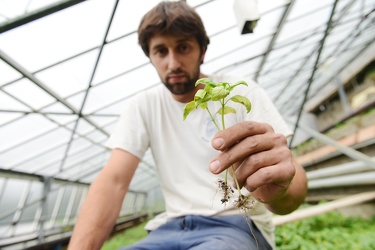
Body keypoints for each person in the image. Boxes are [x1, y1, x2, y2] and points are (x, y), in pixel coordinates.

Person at [68, 1, 307, 249]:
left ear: (202, 51)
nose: (173, 63)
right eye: (161, 51)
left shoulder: (239, 92)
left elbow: (288, 173)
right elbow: (114, 180)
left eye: (183, 47)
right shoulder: (144, 106)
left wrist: (280, 188)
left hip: (235, 226)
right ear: (150, 57)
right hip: (169, 229)